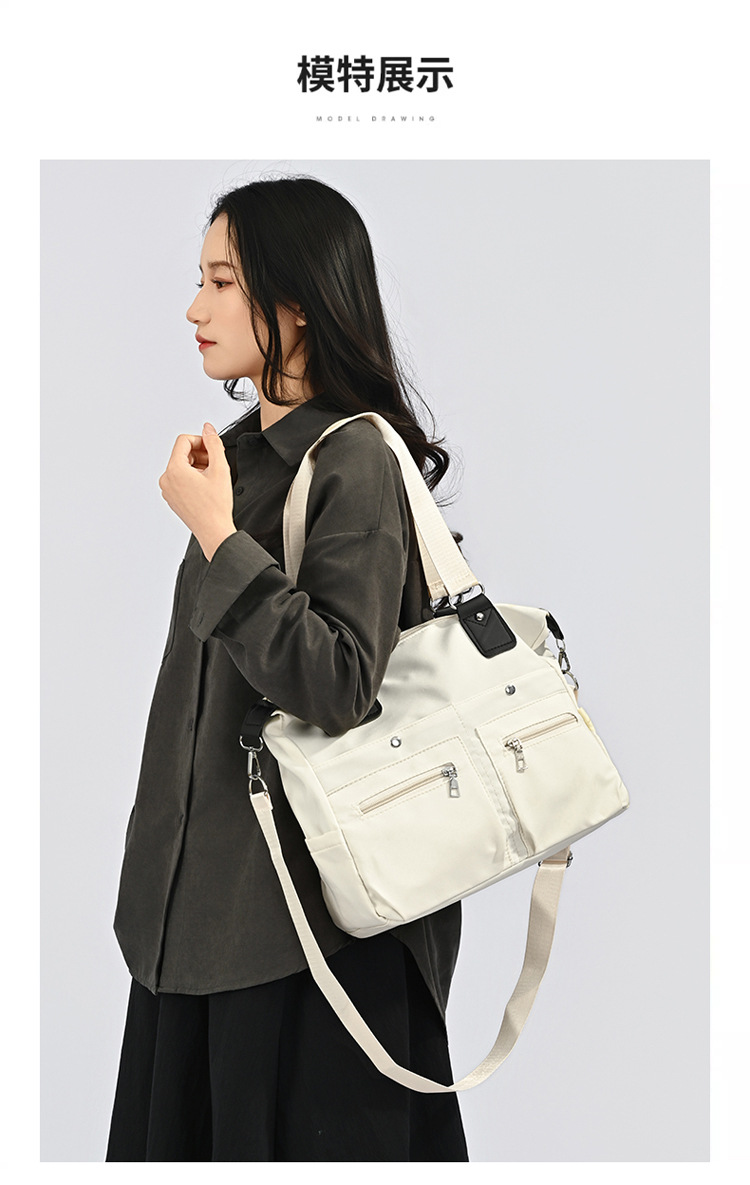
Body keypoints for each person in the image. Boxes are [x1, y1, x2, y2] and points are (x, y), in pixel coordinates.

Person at [105, 175, 470, 1162]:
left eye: (222, 281)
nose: (196, 307)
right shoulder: (237, 459)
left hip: (308, 948)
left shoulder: (355, 460)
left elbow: (341, 683)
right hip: (198, 930)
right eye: (201, 279)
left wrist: (219, 536)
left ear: (297, 302)